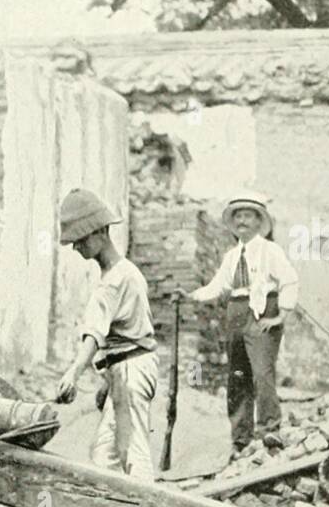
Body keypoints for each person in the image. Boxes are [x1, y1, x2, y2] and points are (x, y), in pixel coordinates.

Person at [177, 191, 299, 455]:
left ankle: (270, 431)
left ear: (259, 222)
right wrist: (191, 296)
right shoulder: (232, 256)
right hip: (236, 312)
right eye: (239, 216)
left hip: (263, 311)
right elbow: (217, 286)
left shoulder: (270, 251)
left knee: (262, 373)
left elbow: (290, 280)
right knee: (237, 374)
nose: (242, 221)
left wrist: (280, 314)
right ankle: (240, 437)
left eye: (248, 216)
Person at [54, 188, 158, 481]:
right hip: (128, 367)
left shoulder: (114, 281)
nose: (76, 248)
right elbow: (122, 335)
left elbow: (95, 335)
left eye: (80, 240)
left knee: (133, 455)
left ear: (100, 232)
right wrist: (109, 380)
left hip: (131, 369)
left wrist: (73, 373)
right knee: (105, 455)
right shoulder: (126, 272)